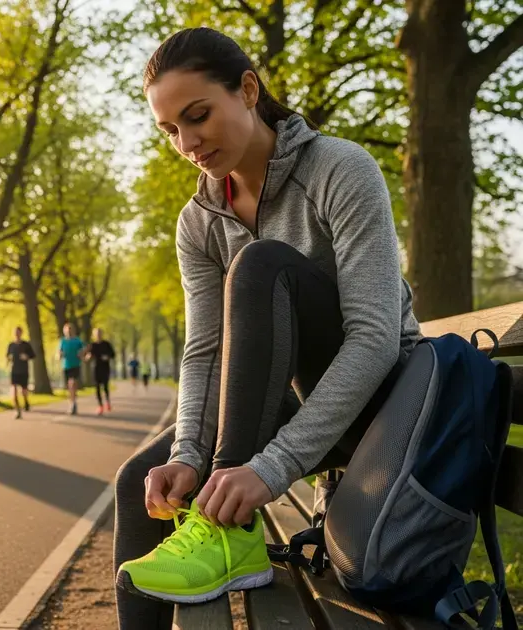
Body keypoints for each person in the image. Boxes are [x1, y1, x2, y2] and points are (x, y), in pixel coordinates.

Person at [113, 27, 422, 629]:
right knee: (139, 485)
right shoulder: (199, 221)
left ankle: (226, 536)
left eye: (198, 115)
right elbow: (205, 351)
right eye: (170, 129)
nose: (188, 141)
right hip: (279, 405)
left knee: (261, 264)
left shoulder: (339, 168)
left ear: (248, 89)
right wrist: (187, 453)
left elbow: (376, 337)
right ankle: (216, 522)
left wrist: (267, 469)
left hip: (377, 405)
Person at [6, 327, 36, 419]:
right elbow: (7, 356)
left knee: (24, 390)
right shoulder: (11, 345)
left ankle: (26, 402)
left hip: (23, 370)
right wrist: (8, 362)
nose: (17, 334)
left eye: (18, 332)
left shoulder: (26, 344)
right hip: (14, 370)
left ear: (21, 333)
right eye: (15, 332)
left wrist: (26, 356)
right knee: (14, 390)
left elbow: (33, 355)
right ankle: (17, 411)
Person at [85, 327, 116, 414]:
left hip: (105, 368)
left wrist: (107, 357)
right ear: (94, 335)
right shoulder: (92, 345)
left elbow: (113, 354)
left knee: (105, 386)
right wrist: (88, 357)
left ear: (101, 334)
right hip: (96, 368)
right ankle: (100, 406)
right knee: (97, 387)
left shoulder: (106, 344)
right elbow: (88, 355)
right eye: (96, 333)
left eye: (99, 333)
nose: (98, 335)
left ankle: (107, 402)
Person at [58, 323, 85, 415]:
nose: (68, 331)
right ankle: (72, 402)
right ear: (64, 331)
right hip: (66, 365)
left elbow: (83, 351)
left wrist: (82, 355)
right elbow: (59, 353)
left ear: (73, 330)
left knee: (72, 383)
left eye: (70, 329)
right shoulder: (62, 341)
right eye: (66, 330)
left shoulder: (78, 341)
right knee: (69, 386)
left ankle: (73, 403)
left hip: (75, 365)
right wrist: (59, 355)